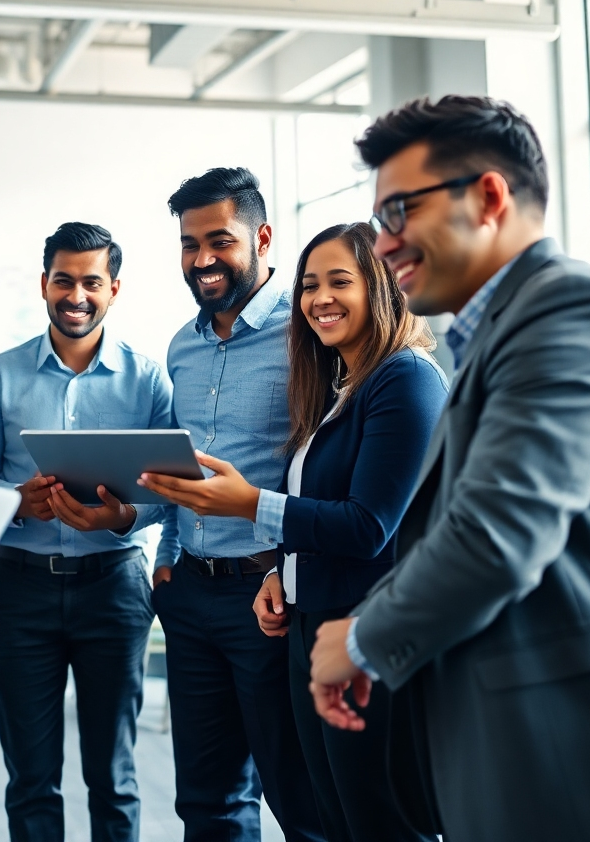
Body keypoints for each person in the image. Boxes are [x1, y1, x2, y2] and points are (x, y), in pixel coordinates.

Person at [308, 96, 590, 842]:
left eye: (399, 212)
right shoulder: (492, 333)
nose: (383, 246)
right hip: (497, 722)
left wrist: (363, 636)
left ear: (489, 196)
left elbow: (496, 533)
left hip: (557, 734)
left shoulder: (567, 308)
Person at [142, 221, 446, 842]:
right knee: (329, 809)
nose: (319, 299)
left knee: (376, 817)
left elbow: (369, 527)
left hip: (368, 632)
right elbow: (324, 505)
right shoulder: (338, 384)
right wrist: (284, 570)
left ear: (383, 285)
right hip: (308, 620)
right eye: (310, 285)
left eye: (340, 281)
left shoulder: (406, 379)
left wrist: (251, 504)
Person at [0, 222, 172, 842]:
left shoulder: (148, 378)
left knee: (114, 774)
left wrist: (124, 516)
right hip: (19, 592)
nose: (76, 294)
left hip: (114, 588)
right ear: (44, 284)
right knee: (30, 777)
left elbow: (170, 488)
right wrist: (17, 503)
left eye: (91, 282)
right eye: (64, 280)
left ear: (114, 289)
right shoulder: (0, 375)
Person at [141, 167, 323, 842]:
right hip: (191, 596)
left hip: (272, 600)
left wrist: (286, 566)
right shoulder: (182, 345)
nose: (203, 259)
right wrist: (169, 555)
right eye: (189, 244)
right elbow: (182, 462)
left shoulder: (307, 334)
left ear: (263, 237)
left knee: (297, 797)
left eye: (219, 240)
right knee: (208, 803)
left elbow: (326, 467)